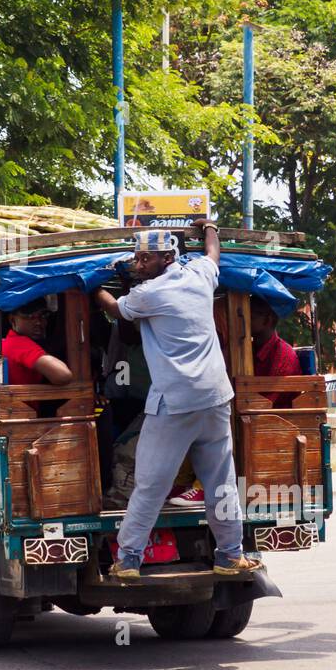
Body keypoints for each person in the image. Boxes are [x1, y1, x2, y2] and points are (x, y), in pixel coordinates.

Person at [93, 223, 261, 580]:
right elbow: (213, 253)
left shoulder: (148, 294)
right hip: (215, 399)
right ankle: (230, 555)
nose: (139, 265)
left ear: (167, 257)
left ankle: (128, 559)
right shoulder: (199, 274)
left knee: (151, 483)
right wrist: (211, 227)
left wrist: (90, 285)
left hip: (175, 402)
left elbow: (116, 310)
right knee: (221, 483)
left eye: (146, 259)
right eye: (137, 259)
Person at [2, 300, 74, 385]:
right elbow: (63, 375)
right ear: (12, 320)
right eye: (30, 317)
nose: (38, 322)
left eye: (43, 316)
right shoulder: (19, 343)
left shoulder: (9, 342)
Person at [250, 294, 300, 407]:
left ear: (267, 320)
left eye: (250, 317)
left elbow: (264, 404)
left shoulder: (283, 355)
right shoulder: (251, 348)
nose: (244, 322)